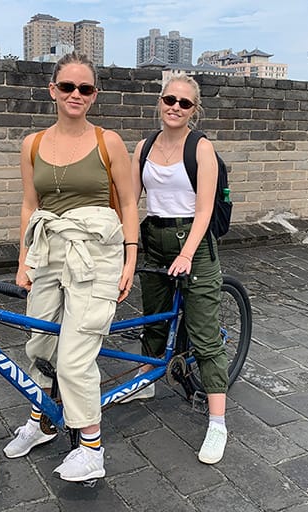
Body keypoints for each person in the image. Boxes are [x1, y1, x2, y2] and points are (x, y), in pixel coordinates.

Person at [3, 52, 139, 482]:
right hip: (48, 250)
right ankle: (43, 420)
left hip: (96, 253)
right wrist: (23, 260)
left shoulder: (108, 142)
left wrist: (130, 259)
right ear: (53, 91)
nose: (75, 95)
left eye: (85, 89)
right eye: (67, 87)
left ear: (94, 95)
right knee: (39, 344)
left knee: (76, 357)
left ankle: (92, 448)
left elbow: (130, 202)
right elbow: (30, 204)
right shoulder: (33, 144)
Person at [126, 73, 229, 464]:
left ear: (194, 110)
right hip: (154, 237)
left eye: (184, 103)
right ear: (160, 101)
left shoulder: (201, 149)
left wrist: (186, 253)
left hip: (194, 242)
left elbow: (203, 209)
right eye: (170, 99)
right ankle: (148, 381)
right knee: (153, 317)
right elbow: (133, 198)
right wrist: (125, 242)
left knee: (203, 334)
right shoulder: (145, 146)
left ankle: (217, 422)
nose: (175, 107)